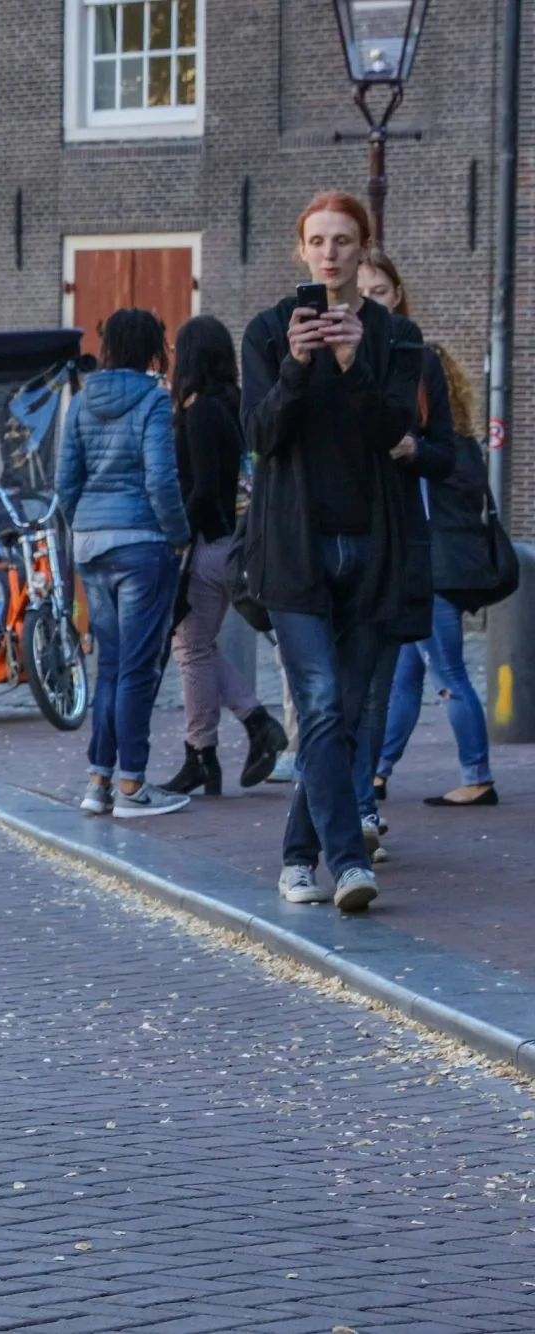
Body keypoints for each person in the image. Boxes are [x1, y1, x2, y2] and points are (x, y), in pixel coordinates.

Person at [241, 192, 443, 913]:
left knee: (347, 716)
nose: (330, 253)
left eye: (344, 241)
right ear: (302, 251)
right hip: (294, 552)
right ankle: (350, 862)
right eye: (318, 241)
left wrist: (354, 363)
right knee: (320, 703)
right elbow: (261, 438)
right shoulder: (268, 333)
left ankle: (298, 859)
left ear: (364, 250)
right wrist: (297, 367)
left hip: (372, 548)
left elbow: (393, 431)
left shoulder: (397, 338)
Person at [58, 308, 191, 820]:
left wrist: (84, 526)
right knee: (138, 667)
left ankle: (98, 782)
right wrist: (177, 535)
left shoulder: (80, 402)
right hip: (141, 544)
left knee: (109, 665)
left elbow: (65, 482)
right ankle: (133, 785)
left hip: (91, 545)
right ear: (152, 349)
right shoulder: (155, 403)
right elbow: (161, 480)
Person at [348, 248, 458, 859]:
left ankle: (362, 807)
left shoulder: (420, 364)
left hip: (398, 538)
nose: (371, 303)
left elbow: (449, 457)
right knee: (329, 690)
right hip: (331, 538)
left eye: (382, 292)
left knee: (377, 687)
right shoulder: (321, 356)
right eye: (362, 293)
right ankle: (332, 813)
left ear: (398, 298)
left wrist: (414, 448)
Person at [160, 316, 289, 796]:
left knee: (191, 649)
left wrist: (179, 536)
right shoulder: (238, 405)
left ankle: (208, 752)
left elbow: (205, 488)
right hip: (240, 541)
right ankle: (241, 735)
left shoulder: (198, 412)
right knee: (201, 648)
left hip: (209, 545)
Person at [373, 345, 499, 809]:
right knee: (407, 676)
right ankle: (377, 771)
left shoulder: (433, 453)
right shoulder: (466, 446)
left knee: (448, 675)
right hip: (439, 574)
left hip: (432, 576)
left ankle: (478, 775)